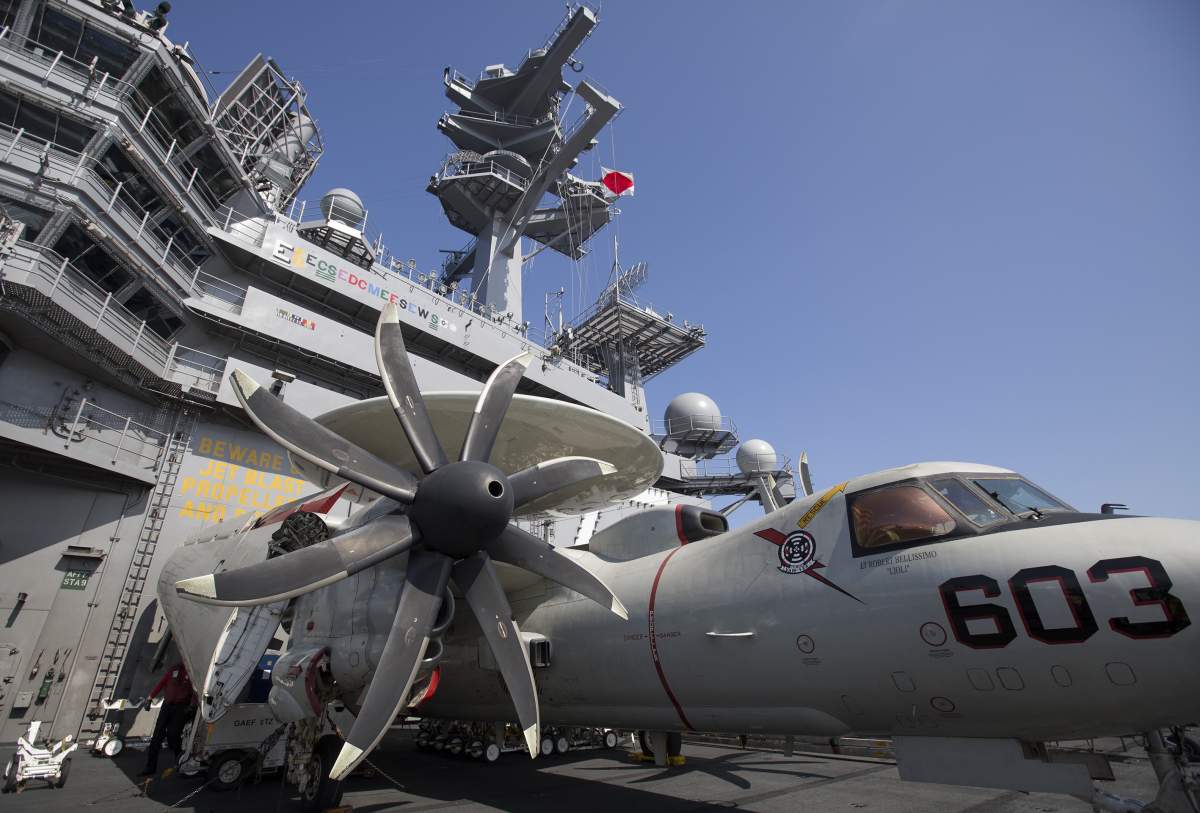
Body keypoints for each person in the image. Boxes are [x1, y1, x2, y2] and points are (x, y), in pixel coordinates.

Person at [140, 661, 196, 776]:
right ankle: (150, 767)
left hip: (181, 707)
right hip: (167, 706)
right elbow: (162, 683)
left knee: (173, 735)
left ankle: (181, 762)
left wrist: (192, 705)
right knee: (156, 737)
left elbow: (196, 690)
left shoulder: (193, 673)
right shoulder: (173, 670)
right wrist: (150, 698)